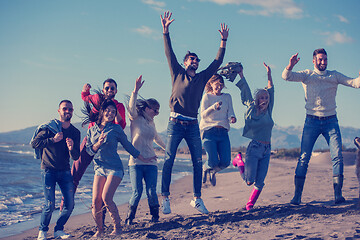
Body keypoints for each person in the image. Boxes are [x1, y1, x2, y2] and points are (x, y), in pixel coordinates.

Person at [160, 11, 228, 214]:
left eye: (197, 60)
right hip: (175, 122)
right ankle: (165, 198)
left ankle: (197, 199)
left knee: (198, 162)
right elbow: (168, 52)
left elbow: (216, 62)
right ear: (184, 62)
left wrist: (223, 42)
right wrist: (166, 31)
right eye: (191, 59)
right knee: (169, 159)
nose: (195, 62)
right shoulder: (177, 72)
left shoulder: (202, 78)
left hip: (192, 124)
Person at [282, 48, 360, 205]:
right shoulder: (307, 75)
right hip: (311, 122)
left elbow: (355, 83)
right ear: (313, 61)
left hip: (331, 121)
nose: (323, 62)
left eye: (325, 59)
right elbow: (286, 77)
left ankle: (338, 195)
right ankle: (297, 196)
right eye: (320, 59)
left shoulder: (334, 75)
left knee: (337, 156)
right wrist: (290, 66)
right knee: (304, 158)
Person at [85, 100, 153, 238]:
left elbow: (127, 145)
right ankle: (100, 230)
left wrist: (143, 158)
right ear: (102, 111)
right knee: (95, 201)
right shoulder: (92, 130)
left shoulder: (116, 129)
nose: (110, 113)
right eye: (108, 110)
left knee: (106, 198)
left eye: (113, 112)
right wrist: (98, 143)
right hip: (99, 169)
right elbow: (89, 151)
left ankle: (117, 227)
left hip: (114, 168)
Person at [60, 78, 126, 211]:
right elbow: (85, 97)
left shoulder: (119, 106)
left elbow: (122, 125)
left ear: (116, 91)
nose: (109, 90)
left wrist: (113, 108)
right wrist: (86, 90)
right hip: (90, 141)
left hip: (106, 146)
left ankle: (101, 217)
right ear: (103, 90)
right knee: (75, 172)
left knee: (104, 184)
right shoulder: (97, 99)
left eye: (112, 88)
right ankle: (65, 204)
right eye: (107, 88)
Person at [31, 100, 81, 240]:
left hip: (65, 171)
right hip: (48, 170)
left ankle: (59, 230)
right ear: (59, 111)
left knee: (70, 204)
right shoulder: (49, 128)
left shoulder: (75, 132)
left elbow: (76, 156)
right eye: (65, 109)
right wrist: (53, 140)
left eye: (70, 109)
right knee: (50, 204)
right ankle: (43, 231)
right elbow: (34, 143)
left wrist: (71, 149)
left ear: (72, 111)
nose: (67, 111)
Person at [232, 62, 274, 210]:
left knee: (260, 182)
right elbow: (246, 90)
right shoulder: (251, 108)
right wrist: (241, 74)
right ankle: (239, 162)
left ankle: (249, 205)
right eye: (262, 97)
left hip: (267, 148)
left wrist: (269, 74)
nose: (265, 99)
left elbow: (271, 89)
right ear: (257, 99)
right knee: (249, 181)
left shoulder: (269, 111)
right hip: (254, 148)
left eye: (266, 97)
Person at [125, 75, 166, 225]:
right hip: (135, 162)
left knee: (151, 191)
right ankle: (129, 219)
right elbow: (130, 108)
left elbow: (157, 138)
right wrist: (135, 91)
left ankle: (155, 217)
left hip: (151, 162)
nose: (157, 113)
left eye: (158, 111)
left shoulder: (152, 123)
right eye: (155, 110)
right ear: (147, 108)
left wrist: (167, 150)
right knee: (137, 192)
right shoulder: (135, 119)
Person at [200, 73, 236, 186]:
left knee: (226, 162)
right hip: (209, 132)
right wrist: (213, 107)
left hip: (223, 133)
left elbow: (230, 111)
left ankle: (213, 172)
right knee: (213, 160)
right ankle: (205, 168)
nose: (219, 87)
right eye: (217, 84)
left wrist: (232, 118)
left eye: (221, 85)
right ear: (211, 84)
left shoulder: (227, 97)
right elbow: (203, 115)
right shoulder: (207, 97)